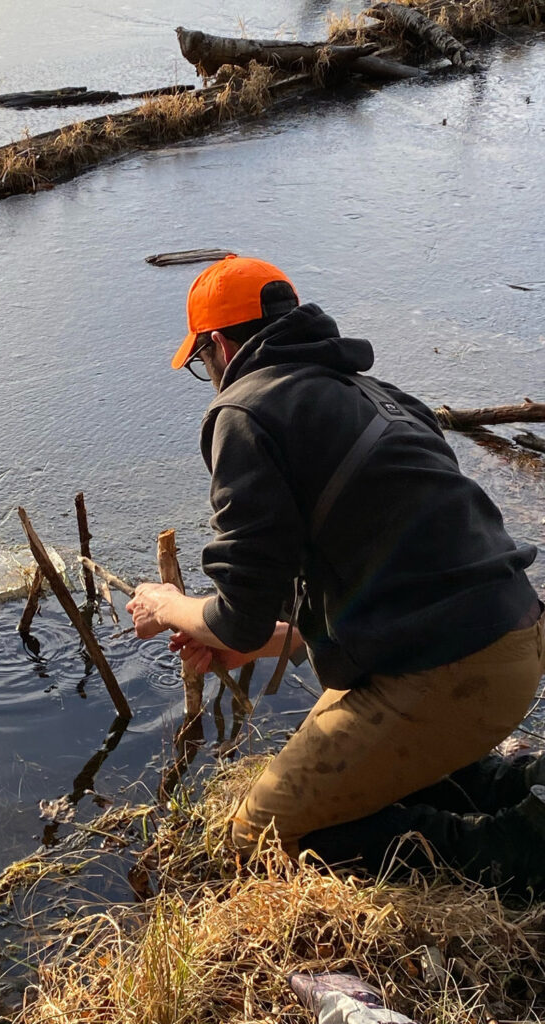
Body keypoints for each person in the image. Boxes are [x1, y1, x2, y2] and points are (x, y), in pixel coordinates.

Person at [127, 255, 545, 895]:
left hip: (447, 673)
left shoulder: (245, 411)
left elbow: (238, 607)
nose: (207, 376)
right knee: (353, 782)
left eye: (200, 362)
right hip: (511, 644)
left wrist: (167, 605)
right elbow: (341, 609)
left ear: (216, 345)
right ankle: (520, 786)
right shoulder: (377, 396)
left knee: (258, 843)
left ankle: (514, 853)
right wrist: (244, 644)